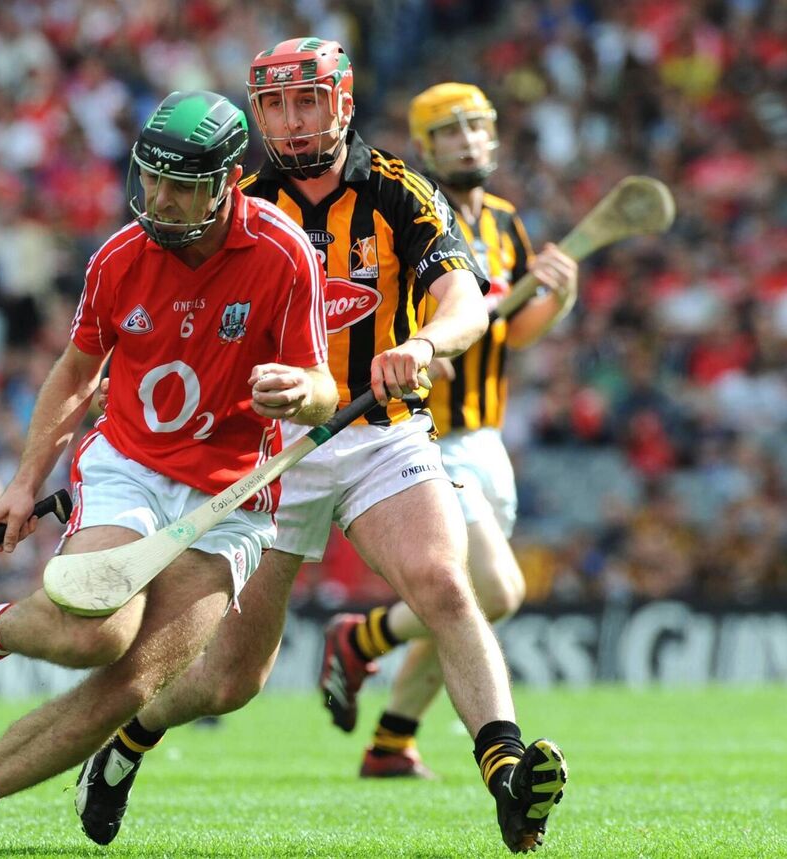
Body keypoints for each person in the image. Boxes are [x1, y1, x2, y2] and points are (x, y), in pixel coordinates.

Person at [73, 40, 568, 855]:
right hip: (270, 449)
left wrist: (428, 342)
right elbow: (168, 312)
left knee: (445, 584)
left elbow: (467, 302)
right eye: (275, 105)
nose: (292, 120)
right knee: (233, 679)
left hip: (380, 428)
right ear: (257, 114)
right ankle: (127, 741)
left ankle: (506, 771)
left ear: (342, 104)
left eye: (308, 101)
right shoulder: (236, 201)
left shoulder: (401, 192)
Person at [0, 89, 337, 857]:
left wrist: (303, 391)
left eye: (180, 184)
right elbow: (72, 376)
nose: (157, 198)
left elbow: (322, 384)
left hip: (230, 495)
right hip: (130, 463)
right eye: (150, 178)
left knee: (135, 683)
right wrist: (25, 481)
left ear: (227, 180)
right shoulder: (120, 258)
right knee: (96, 632)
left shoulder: (283, 253)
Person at [324, 82, 579, 781]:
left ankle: (390, 742)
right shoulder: (416, 213)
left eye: (478, 128)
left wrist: (559, 296)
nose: (468, 142)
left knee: (459, 605)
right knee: (493, 591)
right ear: (427, 144)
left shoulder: (504, 221)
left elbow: (512, 332)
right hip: (430, 433)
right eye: (451, 132)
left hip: (487, 436)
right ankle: (365, 635)